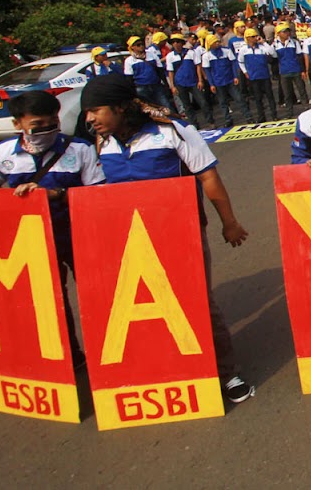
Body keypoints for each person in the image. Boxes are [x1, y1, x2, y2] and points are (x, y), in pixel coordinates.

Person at [80, 74, 255, 404]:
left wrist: (228, 223)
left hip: (180, 233)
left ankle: (226, 373)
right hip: (130, 241)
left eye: (96, 110)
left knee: (198, 301)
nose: (89, 119)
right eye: (87, 112)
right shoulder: (101, 141)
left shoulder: (172, 130)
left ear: (120, 107)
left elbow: (207, 176)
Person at [0, 91, 104, 367]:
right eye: (37, 125)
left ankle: (106, 352)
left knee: (97, 295)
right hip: (32, 242)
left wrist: (56, 193)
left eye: (52, 123)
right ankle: (70, 357)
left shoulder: (80, 150)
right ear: (17, 124)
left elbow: (98, 195)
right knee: (49, 302)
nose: (45, 130)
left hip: (77, 235)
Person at [201, 34, 253, 127]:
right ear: (210, 44)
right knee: (223, 102)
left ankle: (248, 116)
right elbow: (208, 71)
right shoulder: (206, 56)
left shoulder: (226, 51)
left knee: (239, 98)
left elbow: (233, 64)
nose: (217, 43)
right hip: (218, 82)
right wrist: (211, 84)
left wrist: (235, 76)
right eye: (215, 42)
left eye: (218, 41)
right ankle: (228, 119)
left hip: (229, 80)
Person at [165, 33, 209, 128]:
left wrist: (200, 80)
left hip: (193, 82)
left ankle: (210, 121)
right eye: (174, 42)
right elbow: (170, 72)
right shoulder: (170, 56)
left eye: (178, 42)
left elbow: (198, 66)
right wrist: (172, 86)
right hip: (180, 83)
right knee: (187, 105)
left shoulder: (191, 52)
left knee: (203, 102)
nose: (176, 44)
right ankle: (194, 124)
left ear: (182, 43)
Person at [124, 36, 173, 110]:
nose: (141, 46)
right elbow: (129, 79)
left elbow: (160, 71)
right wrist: (133, 93)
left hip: (156, 86)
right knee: (151, 109)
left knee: (166, 106)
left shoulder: (152, 55)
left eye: (142, 44)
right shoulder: (129, 61)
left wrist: (166, 86)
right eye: (138, 45)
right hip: (141, 88)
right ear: (132, 47)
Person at [273, 23, 308, 114]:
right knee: (287, 93)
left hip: (296, 70)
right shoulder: (275, 44)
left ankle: (306, 108)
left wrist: (303, 70)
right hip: (284, 71)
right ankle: (289, 111)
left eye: (288, 31)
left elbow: (299, 56)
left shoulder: (294, 42)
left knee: (302, 90)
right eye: (284, 32)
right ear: (279, 33)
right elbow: (273, 58)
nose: (287, 33)